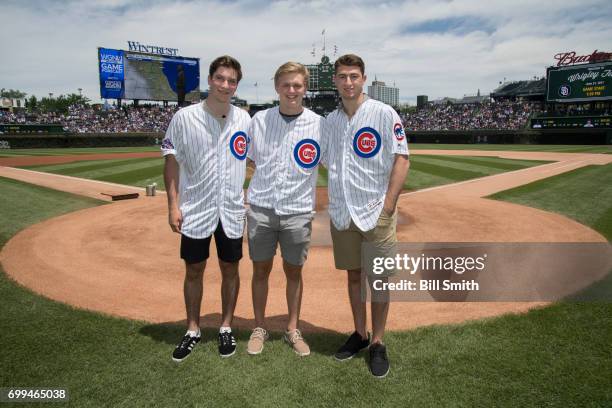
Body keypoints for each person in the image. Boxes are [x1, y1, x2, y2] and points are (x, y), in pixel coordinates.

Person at [325, 54, 410, 377]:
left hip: (376, 212)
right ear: (335, 80)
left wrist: (388, 207)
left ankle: (377, 341)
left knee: (379, 279)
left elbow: (402, 160)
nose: (348, 82)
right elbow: (318, 158)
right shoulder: (330, 121)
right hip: (343, 213)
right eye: (343, 76)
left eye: (354, 76)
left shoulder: (384, 113)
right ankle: (359, 334)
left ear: (363, 78)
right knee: (353, 276)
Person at [162, 55, 251, 361]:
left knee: (231, 268)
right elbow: (171, 163)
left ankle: (226, 326)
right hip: (196, 208)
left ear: (236, 85)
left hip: (230, 209)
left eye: (232, 81)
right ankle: (192, 329)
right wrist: (173, 205)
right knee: (194, 270)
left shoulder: (245, 120)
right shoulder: (184, 118)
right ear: (210, 80)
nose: (226, 85)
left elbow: (255, 160)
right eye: (221, 79)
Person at [245, 62, 324, 357]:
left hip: (298, 211)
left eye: (297, 85)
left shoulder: (319, 123)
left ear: (305, 88)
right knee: (260, 270)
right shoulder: (260, 120)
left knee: (294, 272)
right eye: (286, 85)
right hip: (263, 209)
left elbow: (332, 162)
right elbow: (249, 159)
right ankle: (259, 326)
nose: (292, 90)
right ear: (277, 87)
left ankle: (293, 328)